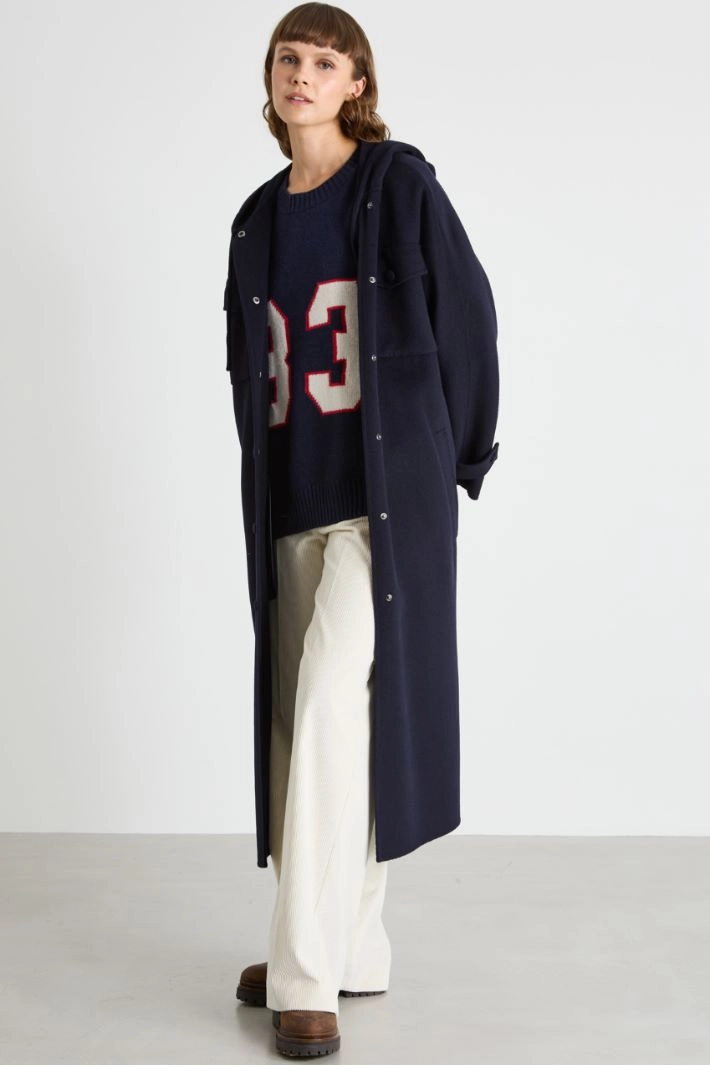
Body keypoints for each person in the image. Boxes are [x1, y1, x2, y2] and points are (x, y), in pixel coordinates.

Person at [225, 2, 500, 1057]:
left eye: (324, 62)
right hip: (290, 500)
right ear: (271, 79)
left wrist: (457, 463)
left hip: (382, 504)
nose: (302, 75)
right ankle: (352, 944)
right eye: (287, 59)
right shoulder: (255, 219)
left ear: (356, 85)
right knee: (307, 730)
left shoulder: (396, 186)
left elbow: (467, 320)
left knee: (332, 709)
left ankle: (305, 978)